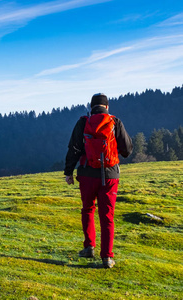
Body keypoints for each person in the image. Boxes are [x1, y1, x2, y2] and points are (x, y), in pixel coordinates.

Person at [64, 93, 133, 268]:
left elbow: (74, 148)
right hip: (110, 176)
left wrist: (68, 172)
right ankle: (107, 258)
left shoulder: (83, 122)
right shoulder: (115, 121)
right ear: (107, 107)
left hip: (87, 174)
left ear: (91, 107)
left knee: (88, 209)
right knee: (107, 216)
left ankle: (89, 247)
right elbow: (127, 150)